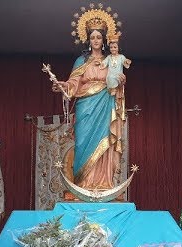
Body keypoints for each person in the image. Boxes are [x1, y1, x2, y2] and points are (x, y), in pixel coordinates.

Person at [53, 15, 126, 190]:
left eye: (99, 37)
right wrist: (64, 86)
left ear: (104, 40)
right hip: (85, 107)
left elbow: (116, 82)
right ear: (88, 39)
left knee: (105, 140)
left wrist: (121, 82)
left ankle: (103, 183)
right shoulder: (81, 61)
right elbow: (73, 83)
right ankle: (83, 184)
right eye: (92, 37)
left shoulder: (111, 61)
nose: (95, 40)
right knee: (82, 142)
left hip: (105, 104)